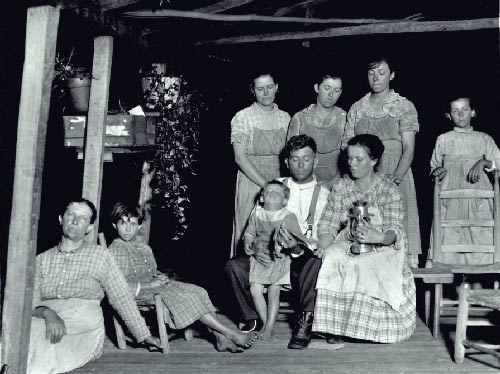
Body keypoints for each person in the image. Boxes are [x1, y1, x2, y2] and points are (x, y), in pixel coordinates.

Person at [27, 198, 161, 374]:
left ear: (89, 228)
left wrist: (143, 335)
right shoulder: (41, 259)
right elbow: (31, 301)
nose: (75, 221)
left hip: (83, 319)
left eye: (83, 218)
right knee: (26, 335)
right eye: (71, 215)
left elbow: (121, 296)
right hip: (46, 317)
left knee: (35, 339)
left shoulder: (100, 256)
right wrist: (48, 313)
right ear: (61, 219)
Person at [225, 134, 330, 349]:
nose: (300, 164)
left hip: (299, 256)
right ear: (286, 162)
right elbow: (255, 222)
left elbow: (320, 238)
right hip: (267, 256)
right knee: (234, 266)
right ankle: (252, 316)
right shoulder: (275, 187)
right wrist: (253, 246)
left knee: (316, 264)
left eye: (306, 159)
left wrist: (296, 247)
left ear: (315, 161)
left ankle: (304, 322)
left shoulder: (324, 195)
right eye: (294, 159)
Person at [108, 202, 257, 353]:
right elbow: (119, 286)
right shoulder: (115, 250)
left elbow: (151, 270)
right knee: (186, 298)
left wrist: (160, 276)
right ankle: (229, 333)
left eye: (133, 224)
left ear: (139, 226)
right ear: (114, 225)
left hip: (154, 286)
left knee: (199, 291)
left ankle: (220, 338)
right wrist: (150, 285)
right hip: (138, 292)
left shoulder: (144, 248)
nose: (127, 229)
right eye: (123, 223)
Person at [314, 134, 416, 347]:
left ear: (374, 160)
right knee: (333, 256)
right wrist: (323, 246)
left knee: (365, 263)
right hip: (350, 240)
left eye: (359, 159)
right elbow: (329, 223)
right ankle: (333, 326)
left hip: (385, 246)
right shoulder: (342, 187)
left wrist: (379, 237)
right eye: (350, 158)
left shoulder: (388, 189)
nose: (352, 164)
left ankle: (371, 329)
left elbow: (394, 229)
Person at [342, 56, 421, 267]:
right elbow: (346, 146)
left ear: (392, 75)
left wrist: (396, 178)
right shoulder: (357, 107)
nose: (376, 78)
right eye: (371, 73)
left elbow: (409, 148)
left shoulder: (403, 105)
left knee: (395, 225)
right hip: (363, 173)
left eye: (382, 72)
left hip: (395, 169)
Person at [430, 95, 500, 265]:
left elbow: (498, 162)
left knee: (480, 240)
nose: (460, 115)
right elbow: (433, 168)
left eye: (465, 110)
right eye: (455, 111)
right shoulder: (443, 139)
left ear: (473, 112)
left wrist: (484, 162)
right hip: (450, 200)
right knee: (450, 240)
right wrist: (436, 172)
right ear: (448, 115)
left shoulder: (484, 138)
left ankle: (478, 283)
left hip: (478, 199)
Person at [231, 69, 290, 257]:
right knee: (249, 232)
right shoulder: (243, 117)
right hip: (252, 182)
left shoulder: (286, 118)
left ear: (277, 87)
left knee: (277, 230)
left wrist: (278, 187)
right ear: (253, 91)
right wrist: (266, 186)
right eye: (260, 89)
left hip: (278, 179)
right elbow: (240, 158)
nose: (266, 93)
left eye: (270, 87)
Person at [244, 181, 304, 340]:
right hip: (260, 257)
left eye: (277, 193)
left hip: (279, 258)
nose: (272, 194)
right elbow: (249, 233)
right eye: (268, 191)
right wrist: (248, 243)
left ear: (285, 200)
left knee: (273, 289)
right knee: (255, 290)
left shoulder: (288, 216)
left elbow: (295, 237)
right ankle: (266, 323)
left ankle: (269, 327)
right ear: (262, 198)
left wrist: (281, 245)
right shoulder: (257, 214)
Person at [287, 73, 346, 190]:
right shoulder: (300, 118)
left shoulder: (344, 117)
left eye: (337, 90)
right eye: (327, 88)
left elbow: (350, 157)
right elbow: (292, 158)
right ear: (316, 88)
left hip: (338, 182)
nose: (331, 95)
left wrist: (332, 183)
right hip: (304, 182)